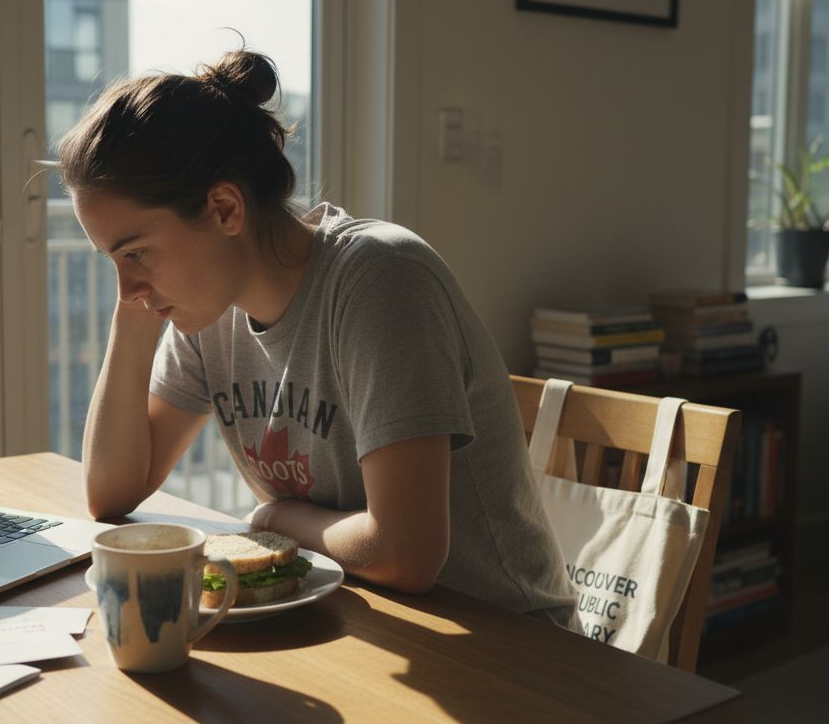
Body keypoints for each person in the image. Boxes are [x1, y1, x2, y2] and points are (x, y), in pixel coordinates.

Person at [60, 49, 576, 623]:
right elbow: (111, 493)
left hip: (504, 643)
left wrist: (276, 519)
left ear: (225, 209)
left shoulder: (381, 279)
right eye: (111, 259)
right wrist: (133, 314)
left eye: (135, 252)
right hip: (363, 615)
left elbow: (407, 555)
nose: (126, 284)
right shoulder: (210, 306)